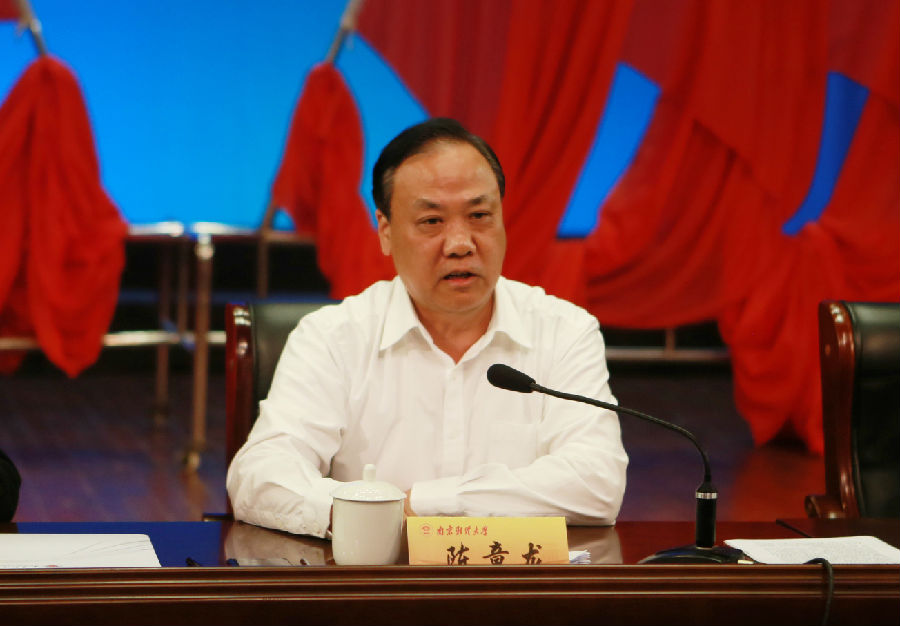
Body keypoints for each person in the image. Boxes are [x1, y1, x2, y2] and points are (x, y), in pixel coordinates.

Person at [227, 118, 627, 538]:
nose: (460, 244)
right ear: (385, 231)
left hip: (515, 578)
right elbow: (260, 476)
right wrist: (369, 517)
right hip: (375, 577)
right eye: (432, 221)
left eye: (479, 216)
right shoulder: (332, 338)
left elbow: (596, 481)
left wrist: (416, 505)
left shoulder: (565, 332)